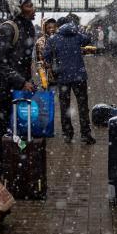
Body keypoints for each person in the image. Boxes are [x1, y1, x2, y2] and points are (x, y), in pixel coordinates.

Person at [0, 0, 36, 178]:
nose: (33, 8)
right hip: (2, 93)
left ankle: (15, 170)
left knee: (19, 131)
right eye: (28, 5)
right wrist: (21, 81)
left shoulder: (29, 28)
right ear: (18, 9)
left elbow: (23, 62)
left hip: (17, 92)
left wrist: (28, 81)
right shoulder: (7, 30)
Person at [44, 14, 96, 145]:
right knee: (83, 106)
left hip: (62, 77)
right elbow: (88, 39)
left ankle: (68, 134)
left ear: (58, 26)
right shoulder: (76, 35)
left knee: (64, 106)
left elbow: (46, 56)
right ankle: (85, 134)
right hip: (79, 76)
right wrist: (78, 31)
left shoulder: (53, 39)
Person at [35, 18, 57, 87]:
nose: (52, 29)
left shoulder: (59, 39)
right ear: (44, 29)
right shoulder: (40, 42)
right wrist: (43, 78)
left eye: (54, 27)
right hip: (47, 77)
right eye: (49, 27)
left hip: (60, 77)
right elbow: (39, 61)